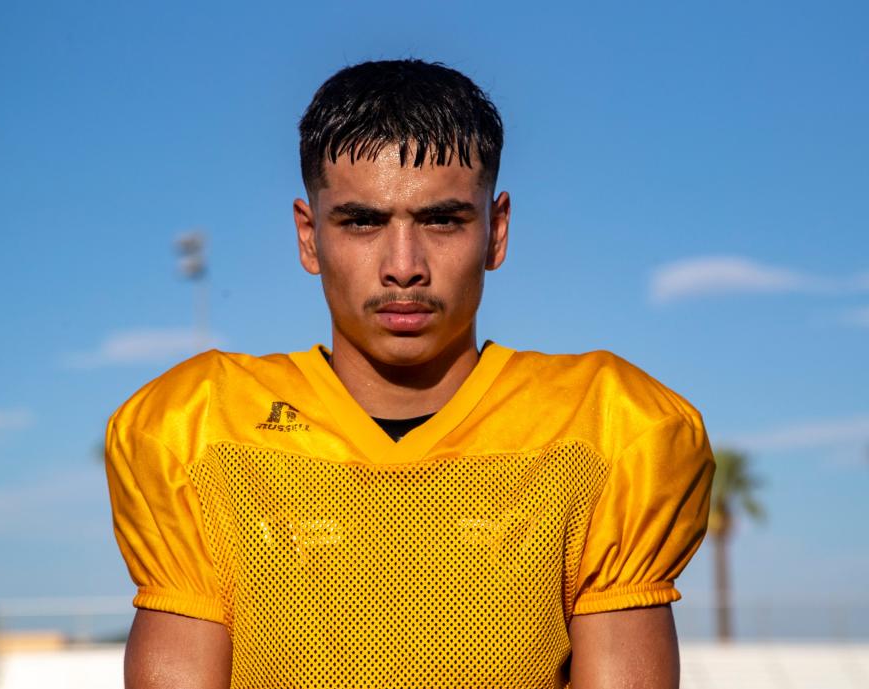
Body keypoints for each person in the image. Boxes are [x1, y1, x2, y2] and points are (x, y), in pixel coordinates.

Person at [104, 59, 715, 689]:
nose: (404, 266)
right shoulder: (199, 428)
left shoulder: (606, 427)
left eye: (442, 220)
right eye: (363, 221)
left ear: (496, 233)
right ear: (310, 237)